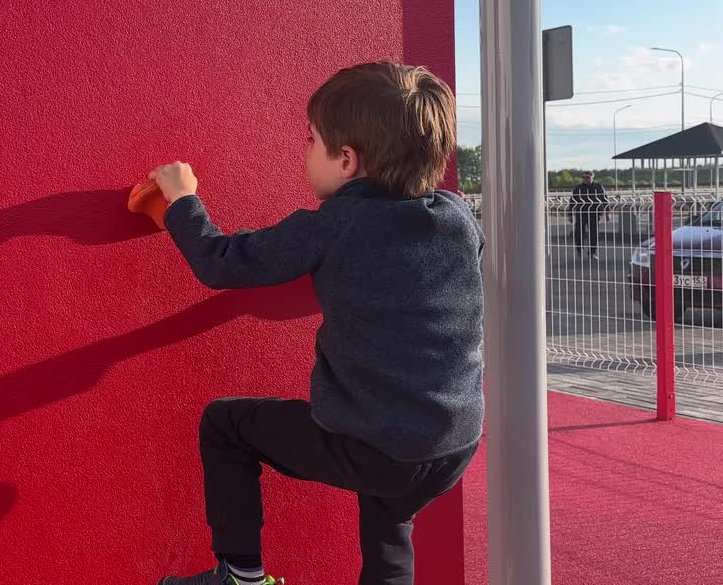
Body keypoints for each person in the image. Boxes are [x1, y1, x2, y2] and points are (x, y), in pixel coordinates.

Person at [149, 62, 484, 585]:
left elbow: (220, 262)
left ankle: (240, 575)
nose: (304, 152)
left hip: (377, 444)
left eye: (311, 141)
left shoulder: (336, 224)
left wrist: (182, 200)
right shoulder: (456, 215)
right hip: (451, 444)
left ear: (347, 160)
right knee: (389, 522)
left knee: (225, 425)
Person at [568, 171, 608, 260]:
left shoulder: (598, 187)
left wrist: (607, 212)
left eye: (587, 177)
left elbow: (605, 199)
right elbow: (572, 201)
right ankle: (579, 250)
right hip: (581, 213)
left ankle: (592, 253)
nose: (585, 179)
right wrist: (570, 214)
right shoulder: (578, 188)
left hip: (594, 213)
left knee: (594, 233)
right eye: (584, 177)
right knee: (578, 232)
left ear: (592, 178)